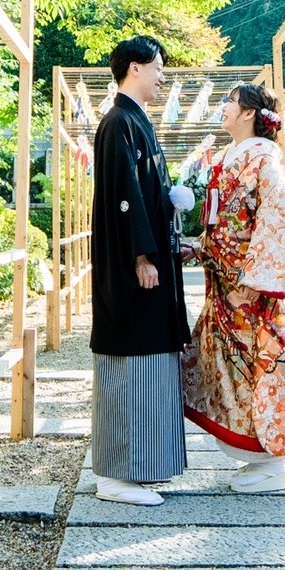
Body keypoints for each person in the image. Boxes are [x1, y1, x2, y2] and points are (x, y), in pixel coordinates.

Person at [180, 84, 285, 492]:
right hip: (225, 283)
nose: (224, 108)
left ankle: (270, 460)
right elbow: (226, 221)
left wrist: (255, 281)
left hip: (249, 291)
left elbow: (277, 220)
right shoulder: (235, 158)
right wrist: (201, 248)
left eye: (230, 102)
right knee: (227, 367)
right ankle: (256, 456)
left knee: (257, 366)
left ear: (249, 114)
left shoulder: (266, 160)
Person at [88, 35, 193, 504]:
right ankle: (114, 474)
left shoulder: (136, 121)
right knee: (129, 357)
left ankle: (142, 464)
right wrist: (143, 256)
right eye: (156, 67)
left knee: (149, 357)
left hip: (151, 263)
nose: (162, 76)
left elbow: (147, 193)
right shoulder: (118, 123)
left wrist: (171, 242)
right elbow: (124, 197)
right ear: (134, 68)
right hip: (134, 269)